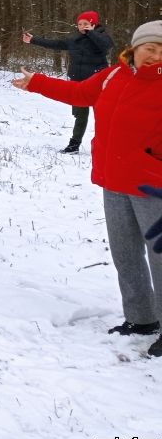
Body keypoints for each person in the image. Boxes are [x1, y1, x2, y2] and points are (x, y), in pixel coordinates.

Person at [13, 19, 162, 357]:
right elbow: (79, 94)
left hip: (153, 185)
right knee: (126, 254)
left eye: (161, 51)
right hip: (114, 180)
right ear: (135, 48)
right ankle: (141, 318)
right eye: (149, 48)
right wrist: (37, 82)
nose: (154, 56)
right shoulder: (112, 76)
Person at [22, 10, 113, 153]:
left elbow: (106, 46)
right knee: (80, 116)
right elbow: (55, 44)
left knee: (102, 117)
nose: (82, 26)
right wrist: (33, 40)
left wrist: (91, 33)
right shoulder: (74, 40)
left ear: (93, 24)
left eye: (85, 23)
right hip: (77, 84)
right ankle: (74, 145)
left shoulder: (101, 37)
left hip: (97, 84)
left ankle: (106, 146)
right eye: (79, 24)